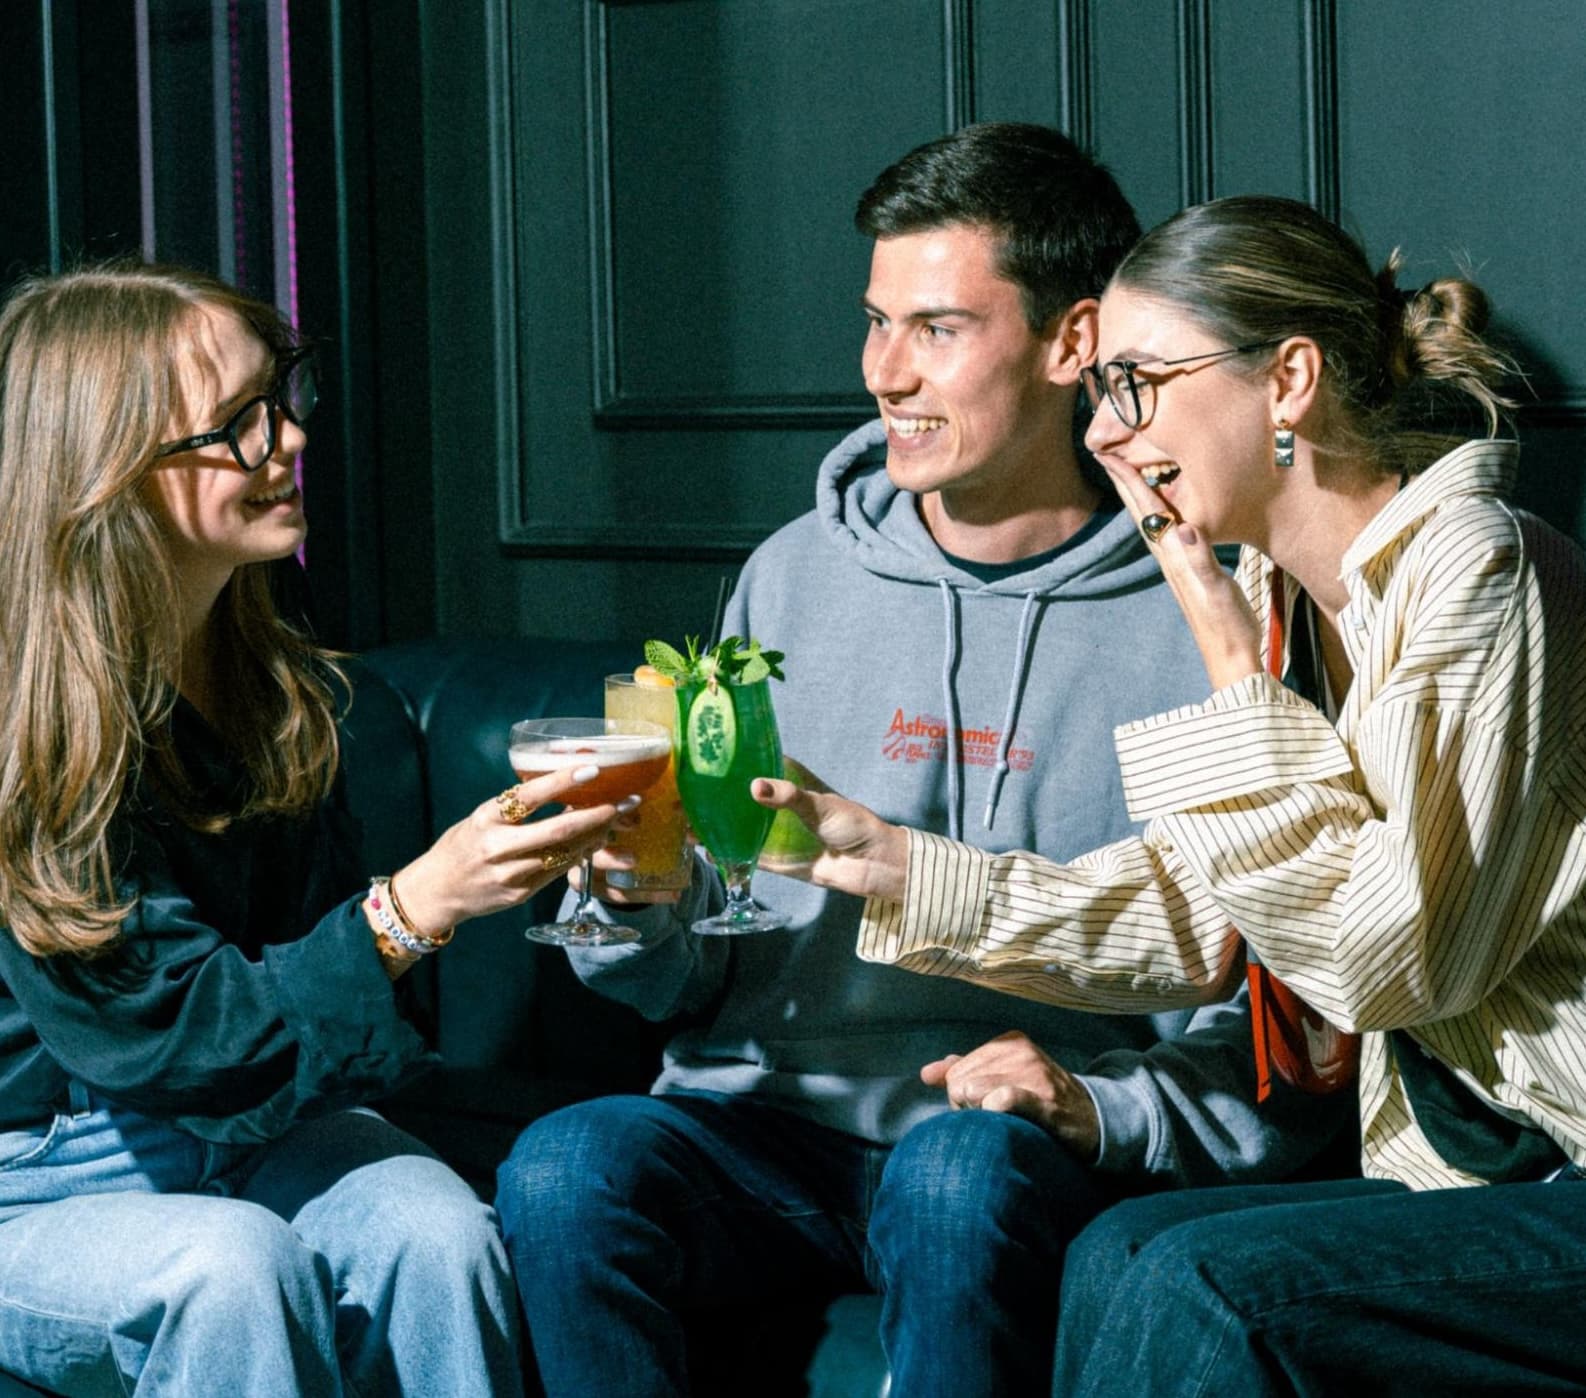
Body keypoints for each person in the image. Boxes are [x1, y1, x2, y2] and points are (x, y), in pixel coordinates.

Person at [495, 127, 1344, 1398]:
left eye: (937, 329)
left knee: (953, 1172)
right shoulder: (792, 571)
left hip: (1013, 1144)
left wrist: (1102, 1105)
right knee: (566, 1164)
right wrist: (636, 902)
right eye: (875, 323)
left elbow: (1279, 992)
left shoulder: (1213, 611)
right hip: (764, 1124)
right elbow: (696, 961)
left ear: (1070, 344)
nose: (883, 372)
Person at [755, 194, 1586, 1394]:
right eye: (1102, 390)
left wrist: (1219, 651)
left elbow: (1382, 962)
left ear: (1287, 381)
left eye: (1135, 384)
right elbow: (1208, 922)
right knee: (1120, 1251)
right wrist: (889, 861)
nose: (1103, 432)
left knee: (1196, 1283)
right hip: (1473, 1176)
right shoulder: (1285, 597)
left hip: (1561, 1168)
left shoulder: (1481, 571)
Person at [0, 263, 639, 1396]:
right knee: (230, 1269)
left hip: (240, 1126)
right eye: (239, 424)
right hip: (34, 1168)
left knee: (434, 1230)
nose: (289, 439)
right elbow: (165, 1037)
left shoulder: (268, 680)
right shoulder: (25, 718)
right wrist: (413, 907)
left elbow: (306, 1002)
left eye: (280, 400)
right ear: (111, 471)